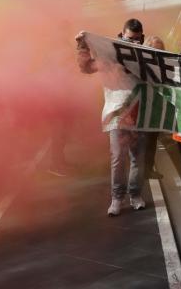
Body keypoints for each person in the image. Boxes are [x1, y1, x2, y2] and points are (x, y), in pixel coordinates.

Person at [75, 19, 148, 217]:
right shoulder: (108, 54)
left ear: (142, 37)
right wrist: (82, 46)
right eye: (130, 39)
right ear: (122, 35)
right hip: (116, 113)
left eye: (137, 39)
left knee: (137, 158)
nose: (134, 43)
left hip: (139, 111)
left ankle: (135, 195)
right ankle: (117, 198)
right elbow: (86, 68)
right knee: (118, 157)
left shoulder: (146, 54)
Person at [142, 36, 167, 179]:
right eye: (154, 50)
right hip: (141, 109)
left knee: (151, 141)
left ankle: (148, 169)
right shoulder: (139, 64)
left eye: (160, 50)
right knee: (140, 144)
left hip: (155, 109)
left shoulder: (164, 64)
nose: (157, 53)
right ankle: (138, 172)